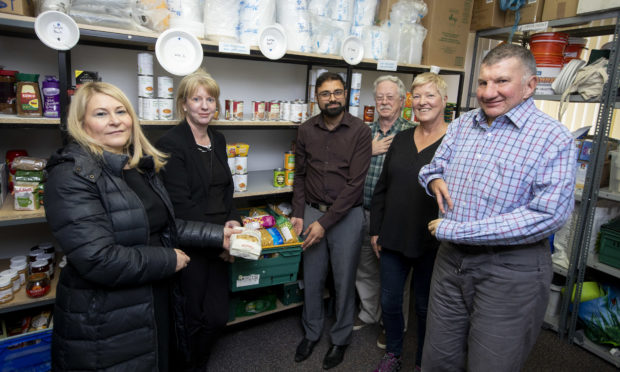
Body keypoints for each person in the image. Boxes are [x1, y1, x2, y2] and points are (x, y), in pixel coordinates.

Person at [44, 82, 237, 372]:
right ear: (81, 123)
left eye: (121, 111)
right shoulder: (71, 174)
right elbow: (97, 258)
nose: (115, 120)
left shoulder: (134, 166)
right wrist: (169, 258)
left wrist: (218, 235)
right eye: (100, 114)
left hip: (149, 296)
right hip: (108, 314)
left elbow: (165, 225)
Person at [418, 43, 576, 371]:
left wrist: (459, 230)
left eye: (502, 81)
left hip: (509, 270)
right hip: (451, 261)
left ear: (530, 85)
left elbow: (548, 215)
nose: (489, 92)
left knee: (491, 364)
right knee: (438, 359)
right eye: (483, 82)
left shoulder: (554, 138)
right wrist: (434, 180)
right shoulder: (462, 125)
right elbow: (433, 166)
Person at [156, 69, 242, 371]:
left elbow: (225, 188)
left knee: (217, 316)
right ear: (184, 104)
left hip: (221, 238)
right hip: (192, 242)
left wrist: (232, 222)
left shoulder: (218, 138)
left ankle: (198, 363)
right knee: (191, 317)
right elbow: (181, 205)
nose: (205, 105)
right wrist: (219, 239)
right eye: (197, 99)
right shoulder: (170, 143)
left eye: (210, 99)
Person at [291, 72, 372, 370]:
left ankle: (340, 339)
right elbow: (299, 175)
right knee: (311, 277)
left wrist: (324, 223)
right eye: (326, 94)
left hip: (346, 214)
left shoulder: (361, 132)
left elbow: (355, 185)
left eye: (337, 92)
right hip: (312, 210)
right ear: (317, 97)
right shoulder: (305, 130)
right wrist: (299, 213)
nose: (332, 98)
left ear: (346, 94)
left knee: (343, 278)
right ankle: (312, 332)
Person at [370, 73, 448, 372]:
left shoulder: (454, 141)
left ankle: (422, 361)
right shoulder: (401, 138)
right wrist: (375, 229)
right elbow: (382, 188)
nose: (422, 102)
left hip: (432, 240)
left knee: (425, 306)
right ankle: (392, 353)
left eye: (429, 95)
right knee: (389, 301)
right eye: (417, 96)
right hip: (393, 235)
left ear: (442, 100)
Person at [354, 75, 414, 348]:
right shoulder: (364, 132)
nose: (385, 102)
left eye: (391, 97)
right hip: (361, 212)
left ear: (402, 101)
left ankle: (391, 325)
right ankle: (369, 313)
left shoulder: (411, 133)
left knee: (394, 277)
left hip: (391, 219)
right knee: (364, 269)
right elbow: (346, 166)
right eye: (380, 97)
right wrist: (370, 150)